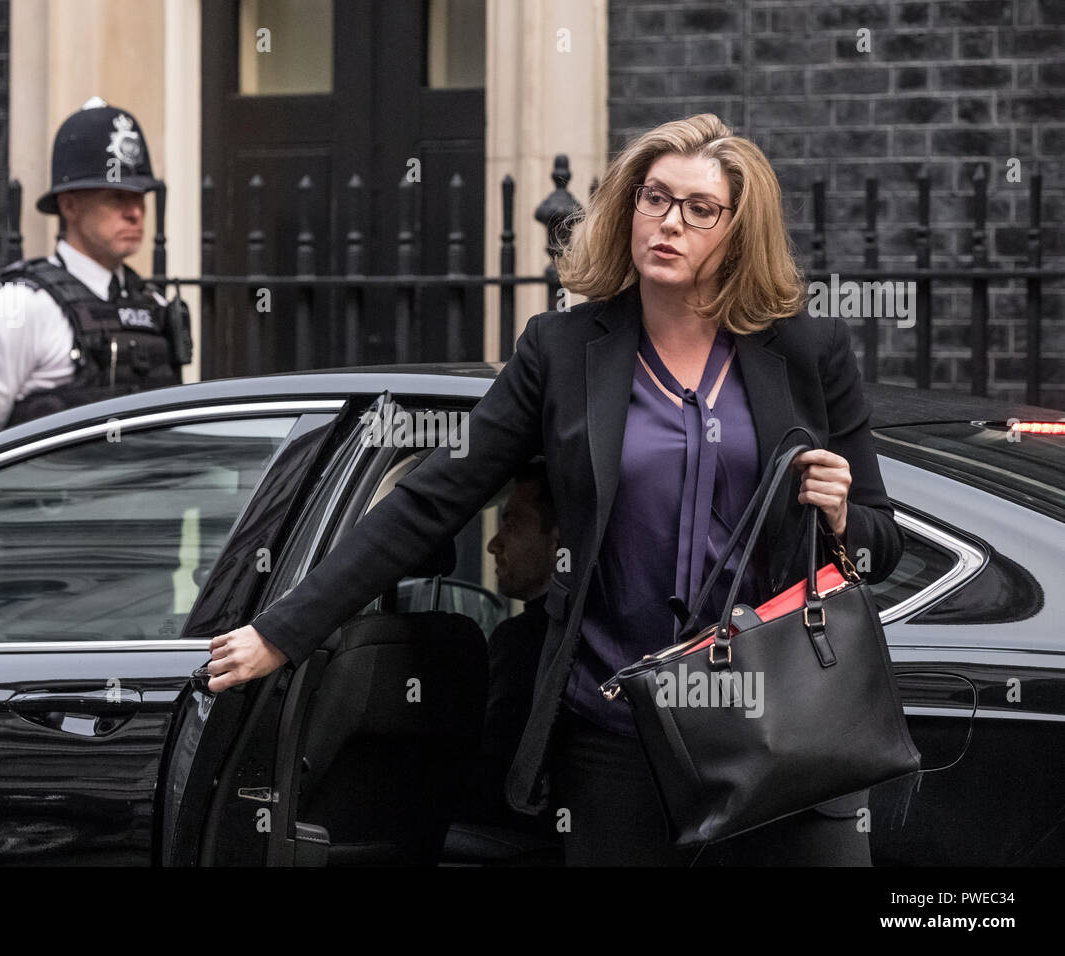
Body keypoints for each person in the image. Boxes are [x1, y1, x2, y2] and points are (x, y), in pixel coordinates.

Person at [203, 114, 904, 866]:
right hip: (619, 735)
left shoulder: (804, 350)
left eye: (699, 209)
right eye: (654, 197)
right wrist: (282, 631)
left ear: (738, 231)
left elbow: (880, 540)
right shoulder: (563, 352)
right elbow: (434, 497)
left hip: (782, 729)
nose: (669, 222)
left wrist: (839, 514)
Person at [0, 97, 191, 454]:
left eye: (141, 197)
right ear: (69, 205)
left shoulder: (155, 307)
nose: (136, 212)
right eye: (116, 197)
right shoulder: (17, 312)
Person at [465, 458, 558, 834]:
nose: (492, 543)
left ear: (558, 541)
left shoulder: (523, 641)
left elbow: (493, 772)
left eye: (512, 522)